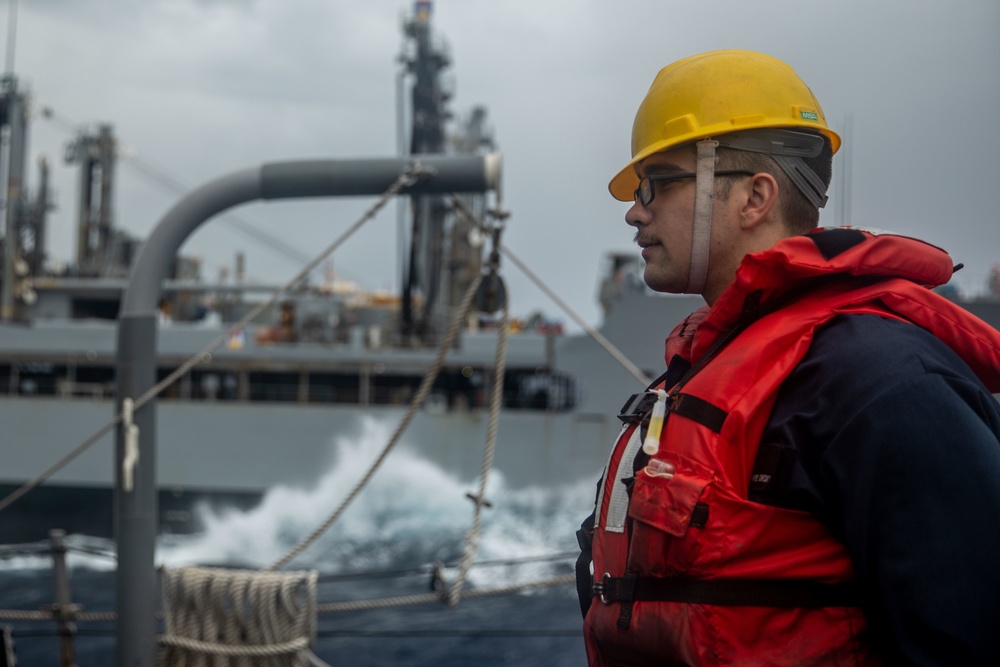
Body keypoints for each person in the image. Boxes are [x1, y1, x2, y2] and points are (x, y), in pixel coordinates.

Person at [576, 49, 1000, 666]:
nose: (634, 210)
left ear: (755, 197)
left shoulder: (880, 379)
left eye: (658, 183)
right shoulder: (712, 364)